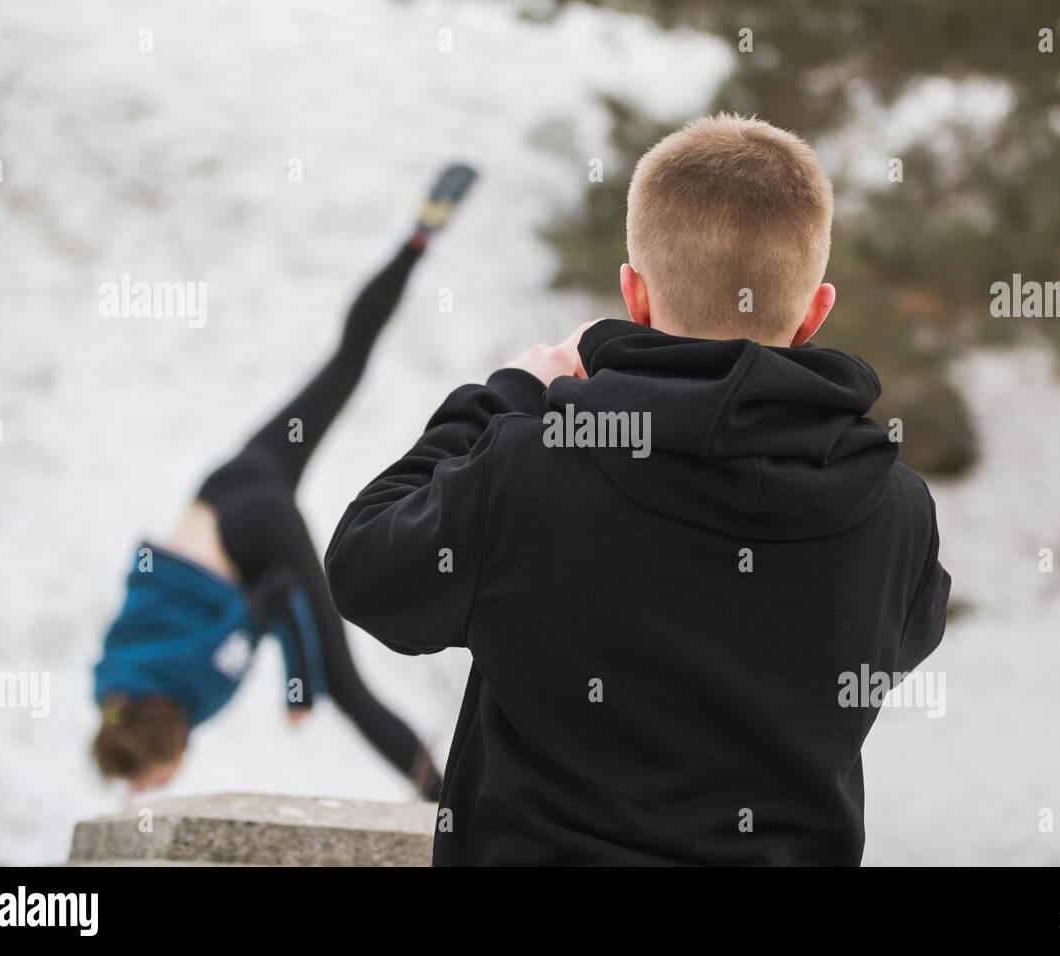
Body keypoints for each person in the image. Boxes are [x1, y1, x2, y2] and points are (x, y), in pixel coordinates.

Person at [325, 114, 951, 865]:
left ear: (635, 295)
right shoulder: (898, 513)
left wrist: (511, 393)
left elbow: (364, 566)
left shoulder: (532, 472)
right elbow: (901, 638)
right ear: (816, 311)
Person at [92, 163, 478, 800]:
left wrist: (301, 683)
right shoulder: (113, 687)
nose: (145, 792)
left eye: (144, 781)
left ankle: (445, 803)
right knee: (343, 367)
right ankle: (417, 240)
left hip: (251, 529)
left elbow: (274, 595)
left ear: (164, 746)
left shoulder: (194, 683)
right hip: (227, 485)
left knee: (344, 688)